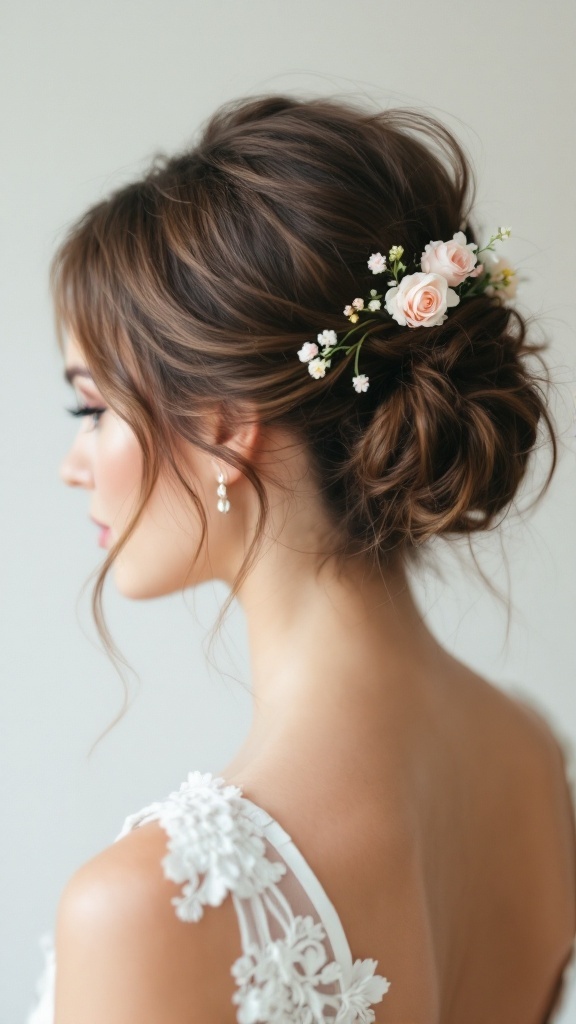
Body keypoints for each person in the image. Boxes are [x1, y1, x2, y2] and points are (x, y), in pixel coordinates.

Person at [26, 95, 576, 1024]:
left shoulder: (150, 908)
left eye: (92, 410)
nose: (72, 466)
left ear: (222, 427)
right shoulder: (533, 758)